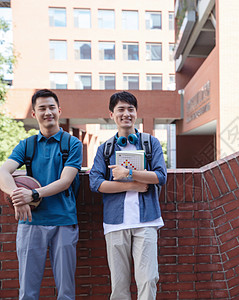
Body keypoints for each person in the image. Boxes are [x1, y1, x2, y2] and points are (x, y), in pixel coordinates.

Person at [0, 89, 82, 299]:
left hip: (63, 220)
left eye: (51, 107)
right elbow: (2, 171)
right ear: (34, 114)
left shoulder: (72, 144)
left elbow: (65, 181)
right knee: (27, 291)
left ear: (59, 110)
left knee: (66, 292)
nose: (48, 112)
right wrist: (17, 196)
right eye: (42, 108)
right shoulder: (26, 145)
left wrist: (33, 194)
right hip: (30, 222)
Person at [89, 91, 167, 300]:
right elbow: (95, 183)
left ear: (136, 113)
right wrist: (131, 185)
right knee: (119, 285)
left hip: (147, 220)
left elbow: (160, 176)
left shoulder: (151, 143)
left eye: (130, 109)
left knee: (149, 279)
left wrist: (128, 173)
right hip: (115, 222)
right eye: (121, 109)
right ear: (112, 114)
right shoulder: (105, 149)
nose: (126, 114)